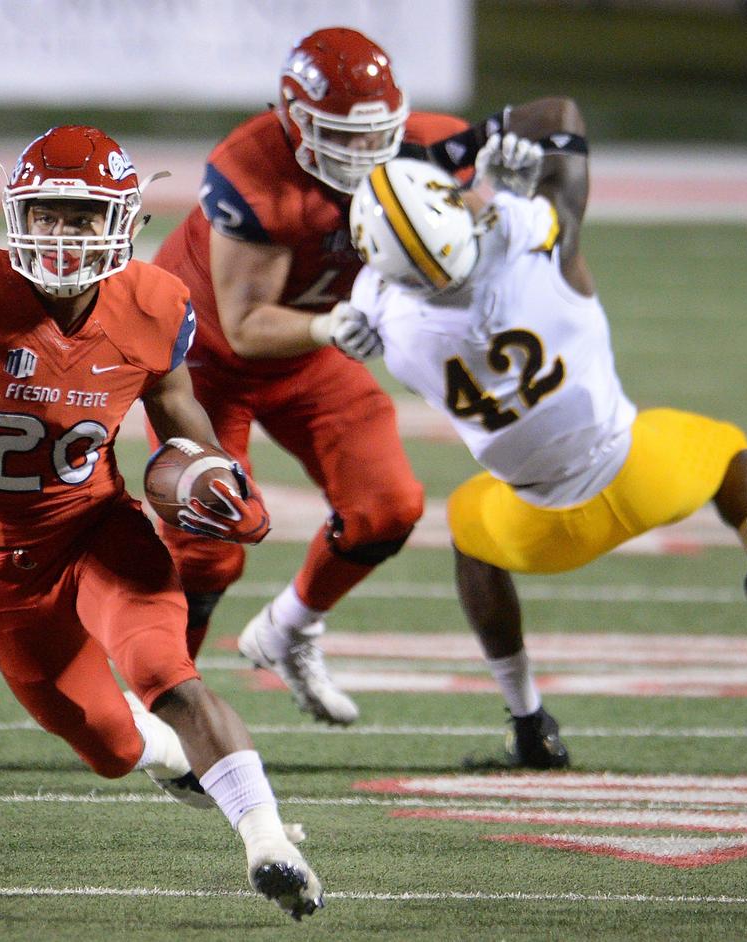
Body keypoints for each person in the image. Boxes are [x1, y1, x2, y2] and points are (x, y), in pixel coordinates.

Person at [0, 125, 323, 920]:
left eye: (82, 218)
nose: (62, 237)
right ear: (17, 216)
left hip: (102, 531)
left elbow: (180, 420)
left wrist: (215, 474)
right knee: (112, 748)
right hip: (0, 567)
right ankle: (169, 757)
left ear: (122, 225)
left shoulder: (153, 304)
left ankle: (269, 844)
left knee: (171, 674)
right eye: (47, 216)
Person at [340, 108, 747, 769]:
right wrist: (497, 172)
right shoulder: (532, 238)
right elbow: (561, 126)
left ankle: (529, 722)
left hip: (540, 527)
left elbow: (378, 294)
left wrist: (356, 318)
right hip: (644, 474)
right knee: (728, 447)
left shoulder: (398, 334)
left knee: (470, 529)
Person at [152, 25, 531, 727]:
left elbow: (546, 140)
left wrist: (513, 186)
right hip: (202, 361)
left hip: (311, 348)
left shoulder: (426, 144)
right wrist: (332, 326)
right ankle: (162, 706)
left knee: (387, 506)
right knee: (206, 552)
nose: (362, 155)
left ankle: (291, 631)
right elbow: (243, 325)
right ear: (293, 117)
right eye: (340, 136)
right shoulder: (251, 168)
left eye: (374, 136)